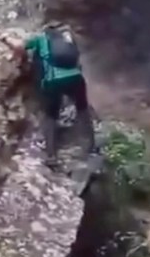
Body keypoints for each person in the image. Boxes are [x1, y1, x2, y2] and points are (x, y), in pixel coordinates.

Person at [11, 22, 97, 167]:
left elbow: (19, 46)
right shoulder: (68, 37)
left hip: (53, 81)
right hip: (76, 78)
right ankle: (90, 147)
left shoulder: (40, 38)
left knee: (50, 116)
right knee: (82, 109)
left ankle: (51, 156)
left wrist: (6, 39)